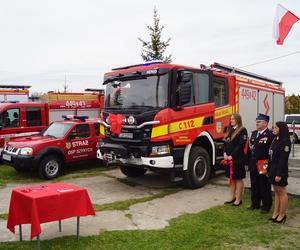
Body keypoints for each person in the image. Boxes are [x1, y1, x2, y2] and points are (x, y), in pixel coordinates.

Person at [248, 113, 275, 213]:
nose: (257, 123)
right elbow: (251, 149)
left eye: (259, 122)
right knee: (254, 184)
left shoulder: (270, 135)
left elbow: (271, 152)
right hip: (253, 162)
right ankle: (255, 203)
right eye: (257, 121)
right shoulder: (254, 134)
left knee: (264, 185)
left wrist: (269, 166)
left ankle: (266, 205)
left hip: (263, 162)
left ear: (265, 123)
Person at [268, 121, 291, 223]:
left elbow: (283, 158)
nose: (274, 129)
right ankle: (275, 213)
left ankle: (282, 215)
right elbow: (271, 156)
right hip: (272, 169)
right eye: (274, 128)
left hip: (280, 170)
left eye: (276, 128)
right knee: (276, 192)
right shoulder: (275, 140)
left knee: (282, 192)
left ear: (281, 129)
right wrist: (268, 169)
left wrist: (278, 174)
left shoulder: (286, 141)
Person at [223, 113, 248, 206]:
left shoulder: (242, 130)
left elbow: (240, 145)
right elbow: (226, 142)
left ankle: (238, 199)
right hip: (229, 159)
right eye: (230, 119)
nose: (231, 120)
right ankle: (232, 197)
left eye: (233, 119)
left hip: (237, 159)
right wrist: (225, 153)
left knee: (238, 179)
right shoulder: (230, 129)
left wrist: (232, 156)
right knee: (231, 178)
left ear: (238, 120)